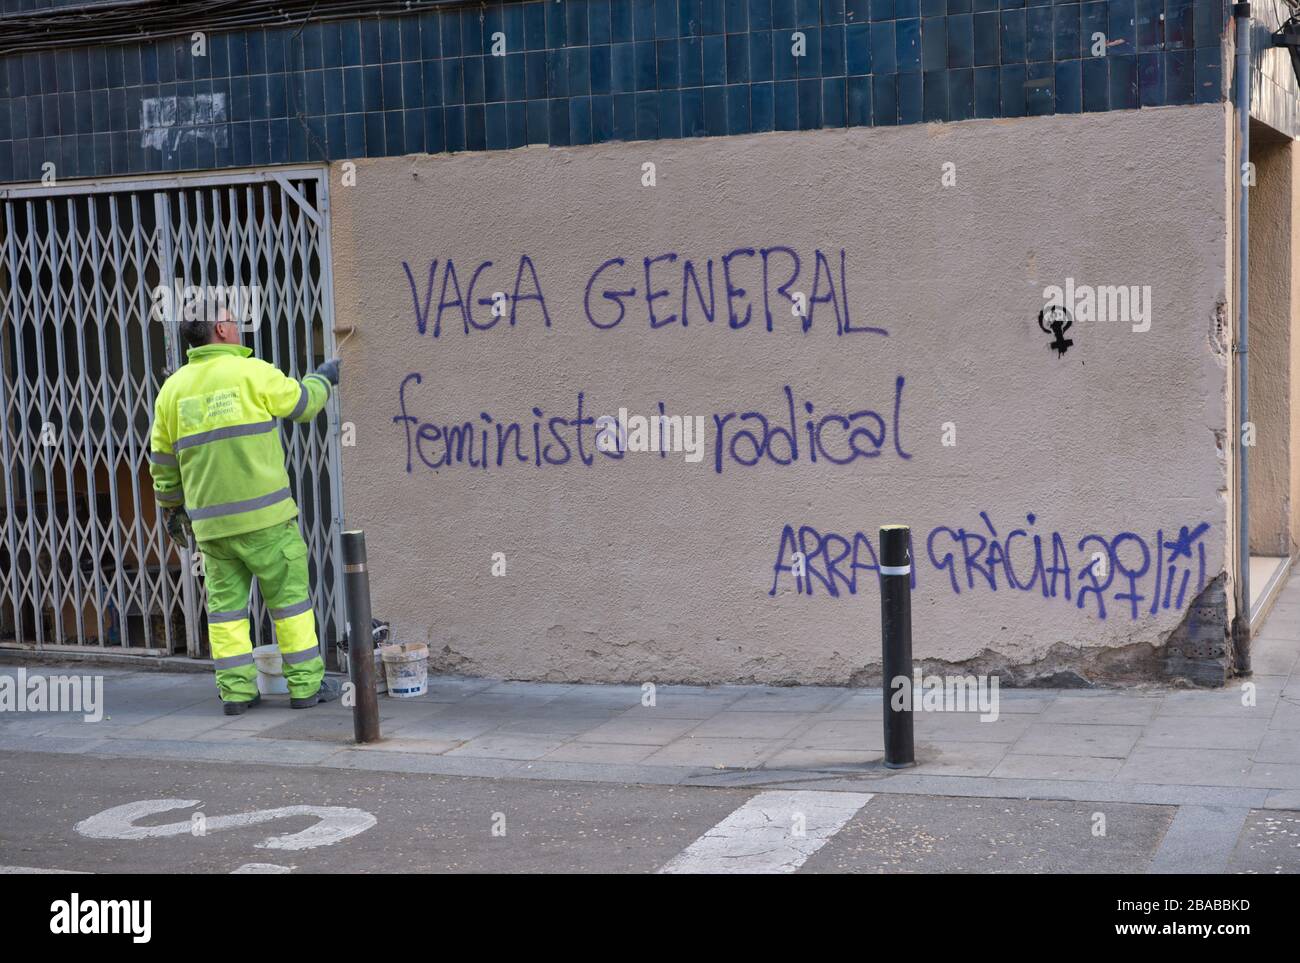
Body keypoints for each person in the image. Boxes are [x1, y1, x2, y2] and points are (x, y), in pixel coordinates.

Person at [148, 299, 342, 715]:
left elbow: (162, 463)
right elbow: (304, 405)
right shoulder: (252, 373)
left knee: (225, 614)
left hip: (213, 529)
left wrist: (172, 510)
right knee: (289, 605)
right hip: (267, 521)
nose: (237, 326)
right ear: (220, 329)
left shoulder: (172, 391)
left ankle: (236, 693)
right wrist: (325, 378)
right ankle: (305, 686)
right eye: (233, 320)